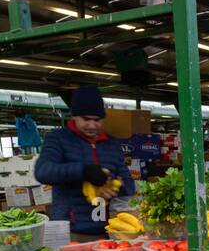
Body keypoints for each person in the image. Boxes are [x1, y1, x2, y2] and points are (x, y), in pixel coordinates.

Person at [33, 85, 136, 234]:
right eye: (86, 119)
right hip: (71, 230)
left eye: (97, 120)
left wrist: (115, 188)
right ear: (74, 116)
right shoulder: (58, 139)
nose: (92, 125)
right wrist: (83, 171)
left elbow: (128, 184)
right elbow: (43, 171)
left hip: (109, 229)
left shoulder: (111, 144)